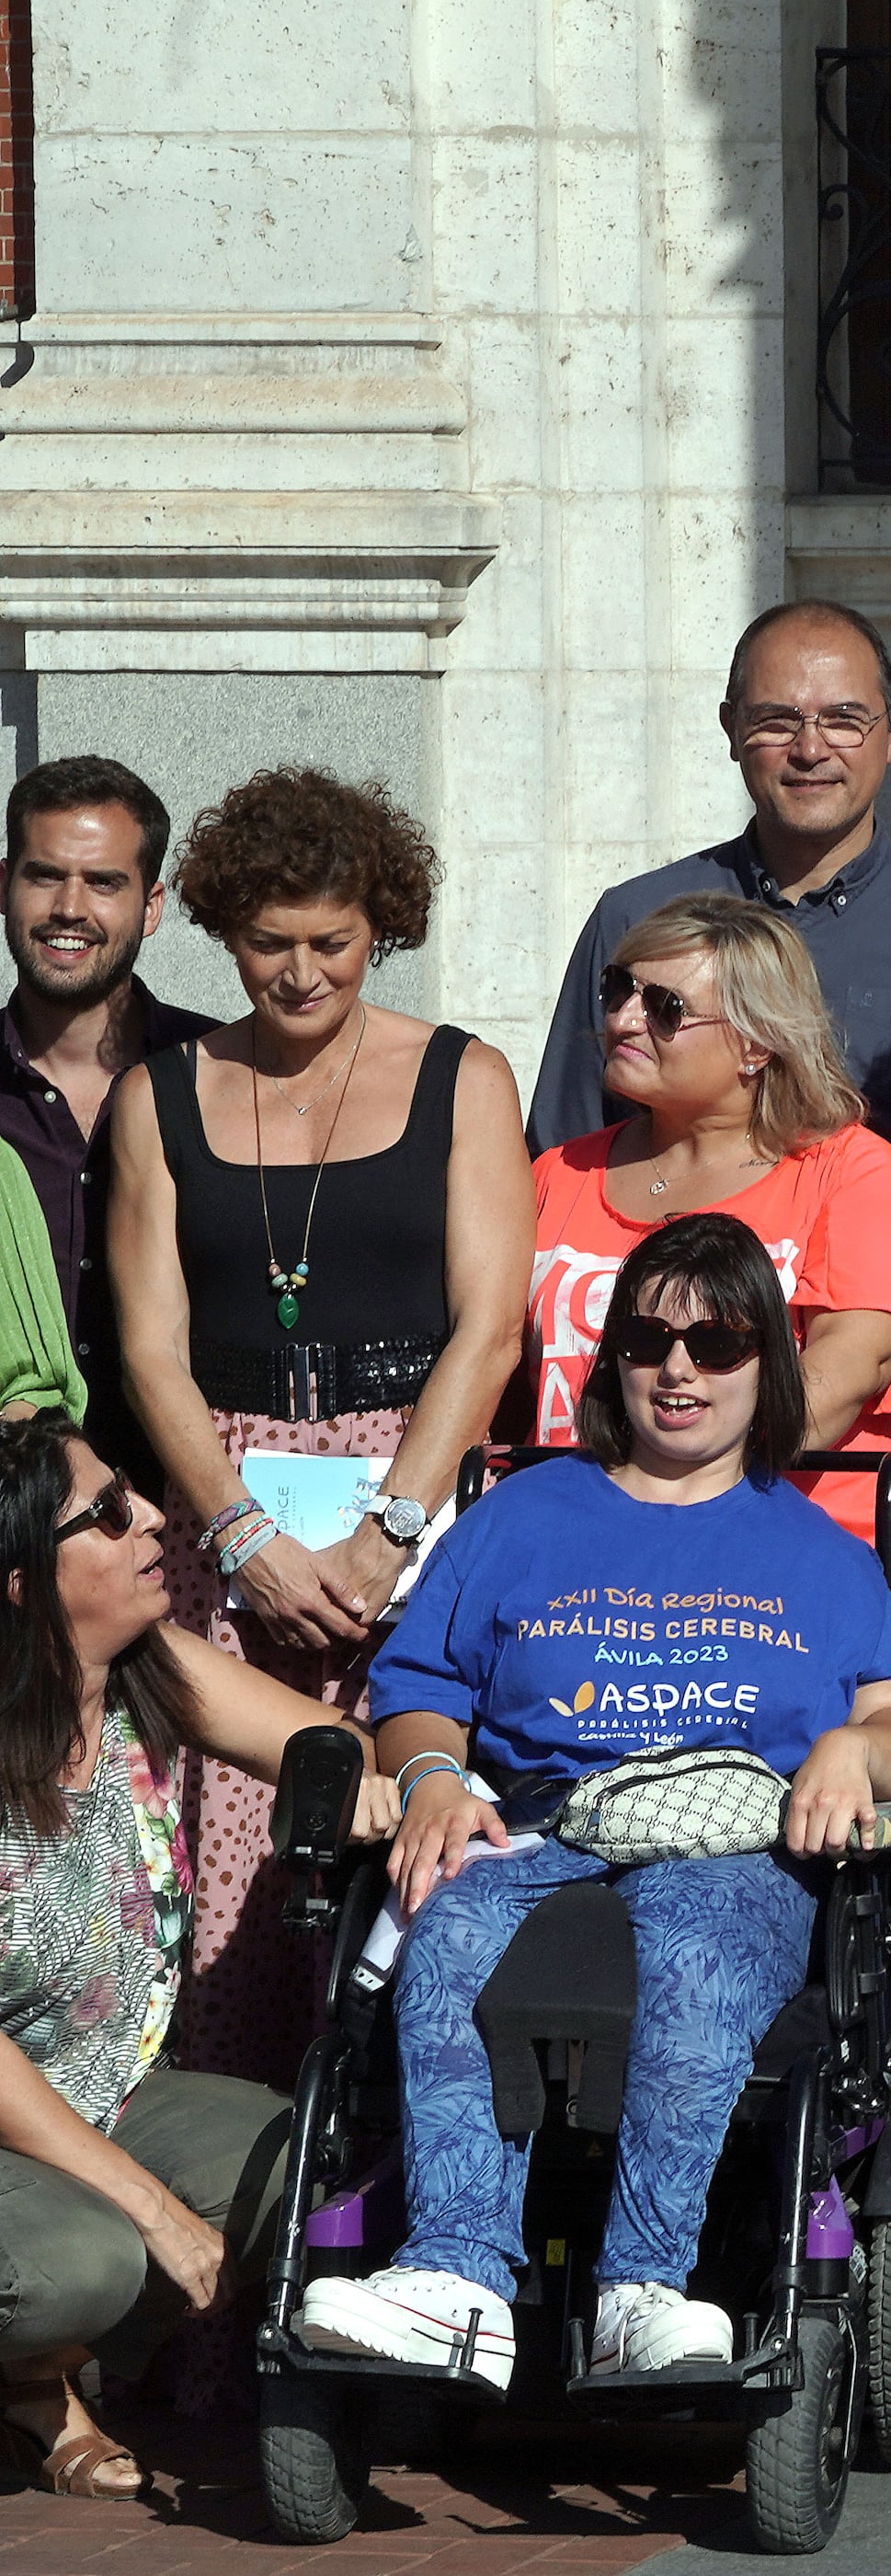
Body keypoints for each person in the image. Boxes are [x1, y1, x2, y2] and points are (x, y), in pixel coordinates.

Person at [288, 1216, 891, 2386]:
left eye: (717, 1341)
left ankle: (644, 2286)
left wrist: (853, 1747)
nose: (677, 1368)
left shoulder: (818, 1551)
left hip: (733, 1836)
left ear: (767, 1363)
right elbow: (421, 1687)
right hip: (537, 1815)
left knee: (692, 1949)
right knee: (449, 1928)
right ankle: (456, 2278)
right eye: (647, 1338)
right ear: (613, 1357)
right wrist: (432, 1776)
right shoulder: (521, 1518)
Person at [103, 770, 529, 2097]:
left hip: (419, 1480)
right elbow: (148, 1345)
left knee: (417, 1850)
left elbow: (490, 1326)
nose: (299, 972)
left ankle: (409, 2233)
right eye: (269, 942)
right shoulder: (159, 1092)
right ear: (226, 933)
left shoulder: (462, 1075)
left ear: (379, 927)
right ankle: (229, 2239)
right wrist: (239, 1529)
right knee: (229, 1872)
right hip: (222, 1495)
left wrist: (387, 1525)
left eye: (330, 943)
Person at [0, 1415, 367, 2501]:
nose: (154, 1516)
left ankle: (35, 2375)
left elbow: (333, 1751)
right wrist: (152, 2211)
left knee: (299, 2165)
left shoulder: (140, 1673)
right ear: (23, 1582)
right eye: (110, 1513)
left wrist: (426, 1787)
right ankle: (38, 2372)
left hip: (100, 2094)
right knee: (92, 2260)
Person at [521, 899, 891, 1677]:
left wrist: (664, 1513)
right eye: (618, 989)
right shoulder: (557, 1175)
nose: (623, 1019)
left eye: (665, 1006)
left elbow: (850, 1370)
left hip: (788, 1598)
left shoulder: (846, 1170)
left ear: (755, 1043)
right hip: (575, 1597)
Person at [528, 600, 891, 1179]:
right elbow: (563, 1164)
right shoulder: (634, 922)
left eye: (844, 720)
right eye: (777, 721)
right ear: (731, 729)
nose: (810, 750)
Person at [0, 762, 213, 1427]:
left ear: (151, 907)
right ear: (3, 884)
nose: (69, 907)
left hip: (198, 1512)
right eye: (44, 875)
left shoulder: (221, 1074)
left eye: (103, 883)